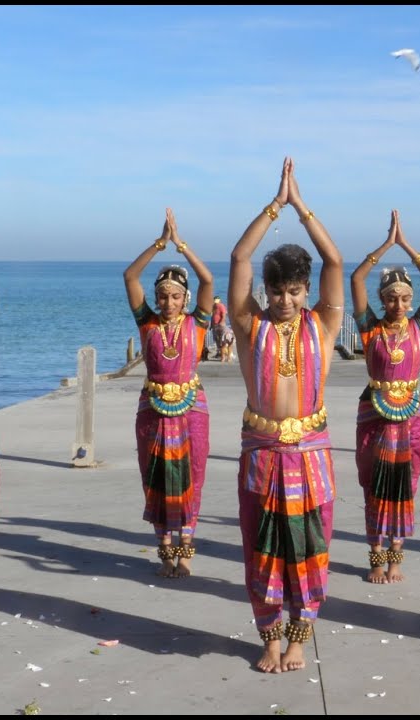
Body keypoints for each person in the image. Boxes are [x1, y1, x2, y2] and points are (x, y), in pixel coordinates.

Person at [228, 157, 345, 673]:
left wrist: (302, 208)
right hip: (263, 453)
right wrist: (274, 206)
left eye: (295, 290)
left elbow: (335, 263)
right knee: (263, 549)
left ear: (305, 290)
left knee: (310, 548)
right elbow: (239, 257)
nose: (286, 300)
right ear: (266, 292)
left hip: (312, 454)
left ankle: (300, 638)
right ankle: (269, 638)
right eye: (277, 291)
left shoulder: (322, 325)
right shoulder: (252, 328)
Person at [123, 208, 215, 578]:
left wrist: (181, 246)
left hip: (192, 407)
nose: (168, 302)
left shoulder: (198, 323)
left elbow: (208, 280)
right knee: (156, 476)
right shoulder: (147, 323)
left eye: (176, 296)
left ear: (185, 298)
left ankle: (186, 547)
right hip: (153, 408)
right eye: (163, 296)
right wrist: (158, 245)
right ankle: (164, 545)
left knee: (191, 475)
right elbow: (130, 275)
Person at [348, 209, 420, 584]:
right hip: (375, 414)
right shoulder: (370, 328)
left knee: (405, 487)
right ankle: (375, 558)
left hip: (409, 417)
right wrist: (385, 246)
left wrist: (407, 246)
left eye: (404, 299)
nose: (398, 306)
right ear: (382, 300)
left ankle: (396, 558)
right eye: (391, 299)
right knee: (374, 486)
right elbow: (356, 277)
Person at [212, 295, 236, 362]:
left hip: (221, 326)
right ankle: (223, 355)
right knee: (218, 341)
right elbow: (213, 316)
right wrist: (211, 325)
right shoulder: (214, 307)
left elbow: (224, 314)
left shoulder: (221, 306)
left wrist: (221, 322)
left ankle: (225, 357)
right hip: (215, 326)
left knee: (224, 341)